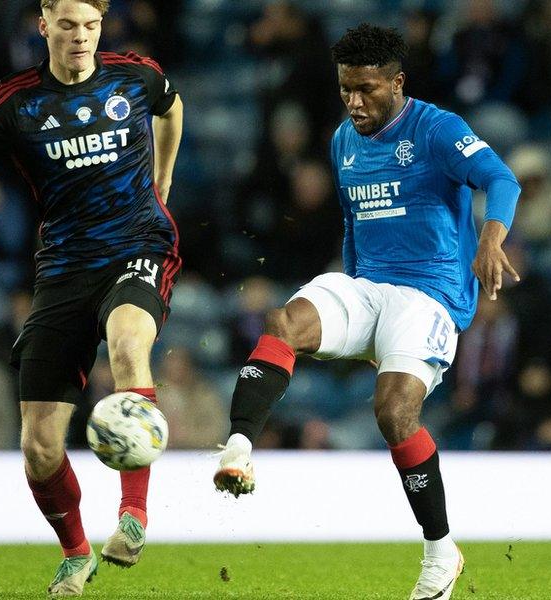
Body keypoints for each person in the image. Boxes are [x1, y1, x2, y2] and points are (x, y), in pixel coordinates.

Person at [213, 24, 520, 600]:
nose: (354, 102)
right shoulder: (342, 140)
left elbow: (500, 179)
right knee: (283, 322)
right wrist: (355, 321)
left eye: (368, 89)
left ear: (397, 83)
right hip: (367, 286)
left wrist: (490, 239)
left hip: (429, 294)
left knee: (393, 412)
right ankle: (238, 448)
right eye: (346, 89)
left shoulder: (436, 129)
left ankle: (439, 551)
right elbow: (355, 223)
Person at [0, 0, 183, 595]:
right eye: (67, 25)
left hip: (138, 242)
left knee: (129, 343)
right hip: (63, 269)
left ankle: (133, 517)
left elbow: (171, 106)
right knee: (38, 445)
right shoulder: (16, 100)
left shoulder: (135, 75)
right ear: (44, 24)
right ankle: (76, 552)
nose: (80, 37)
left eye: (91, 26)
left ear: (101, 26)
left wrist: (162, 181)